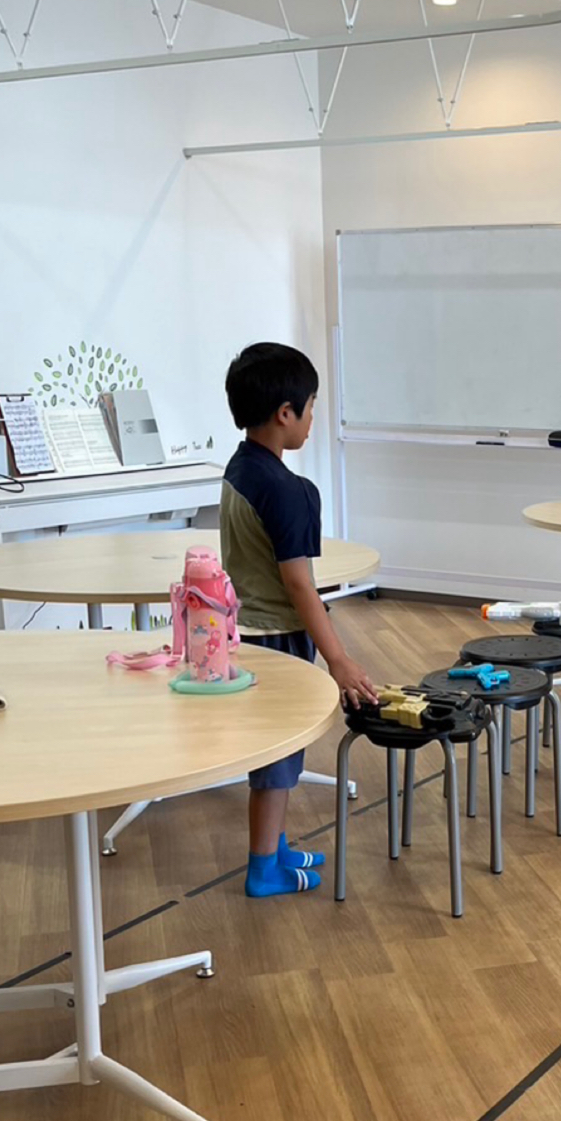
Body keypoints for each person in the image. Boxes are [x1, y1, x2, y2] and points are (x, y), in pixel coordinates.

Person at [221, 341, 377, 899]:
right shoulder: (289, 492)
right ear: (285, 412)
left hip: (246, 632)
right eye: (311, 407)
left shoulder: (242, 467)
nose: (313, 418)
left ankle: (276, 846)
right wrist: (339, 658)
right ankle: (263, 868)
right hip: (277, 638)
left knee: (278, 750)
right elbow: (299, 584)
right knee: (278, 760)